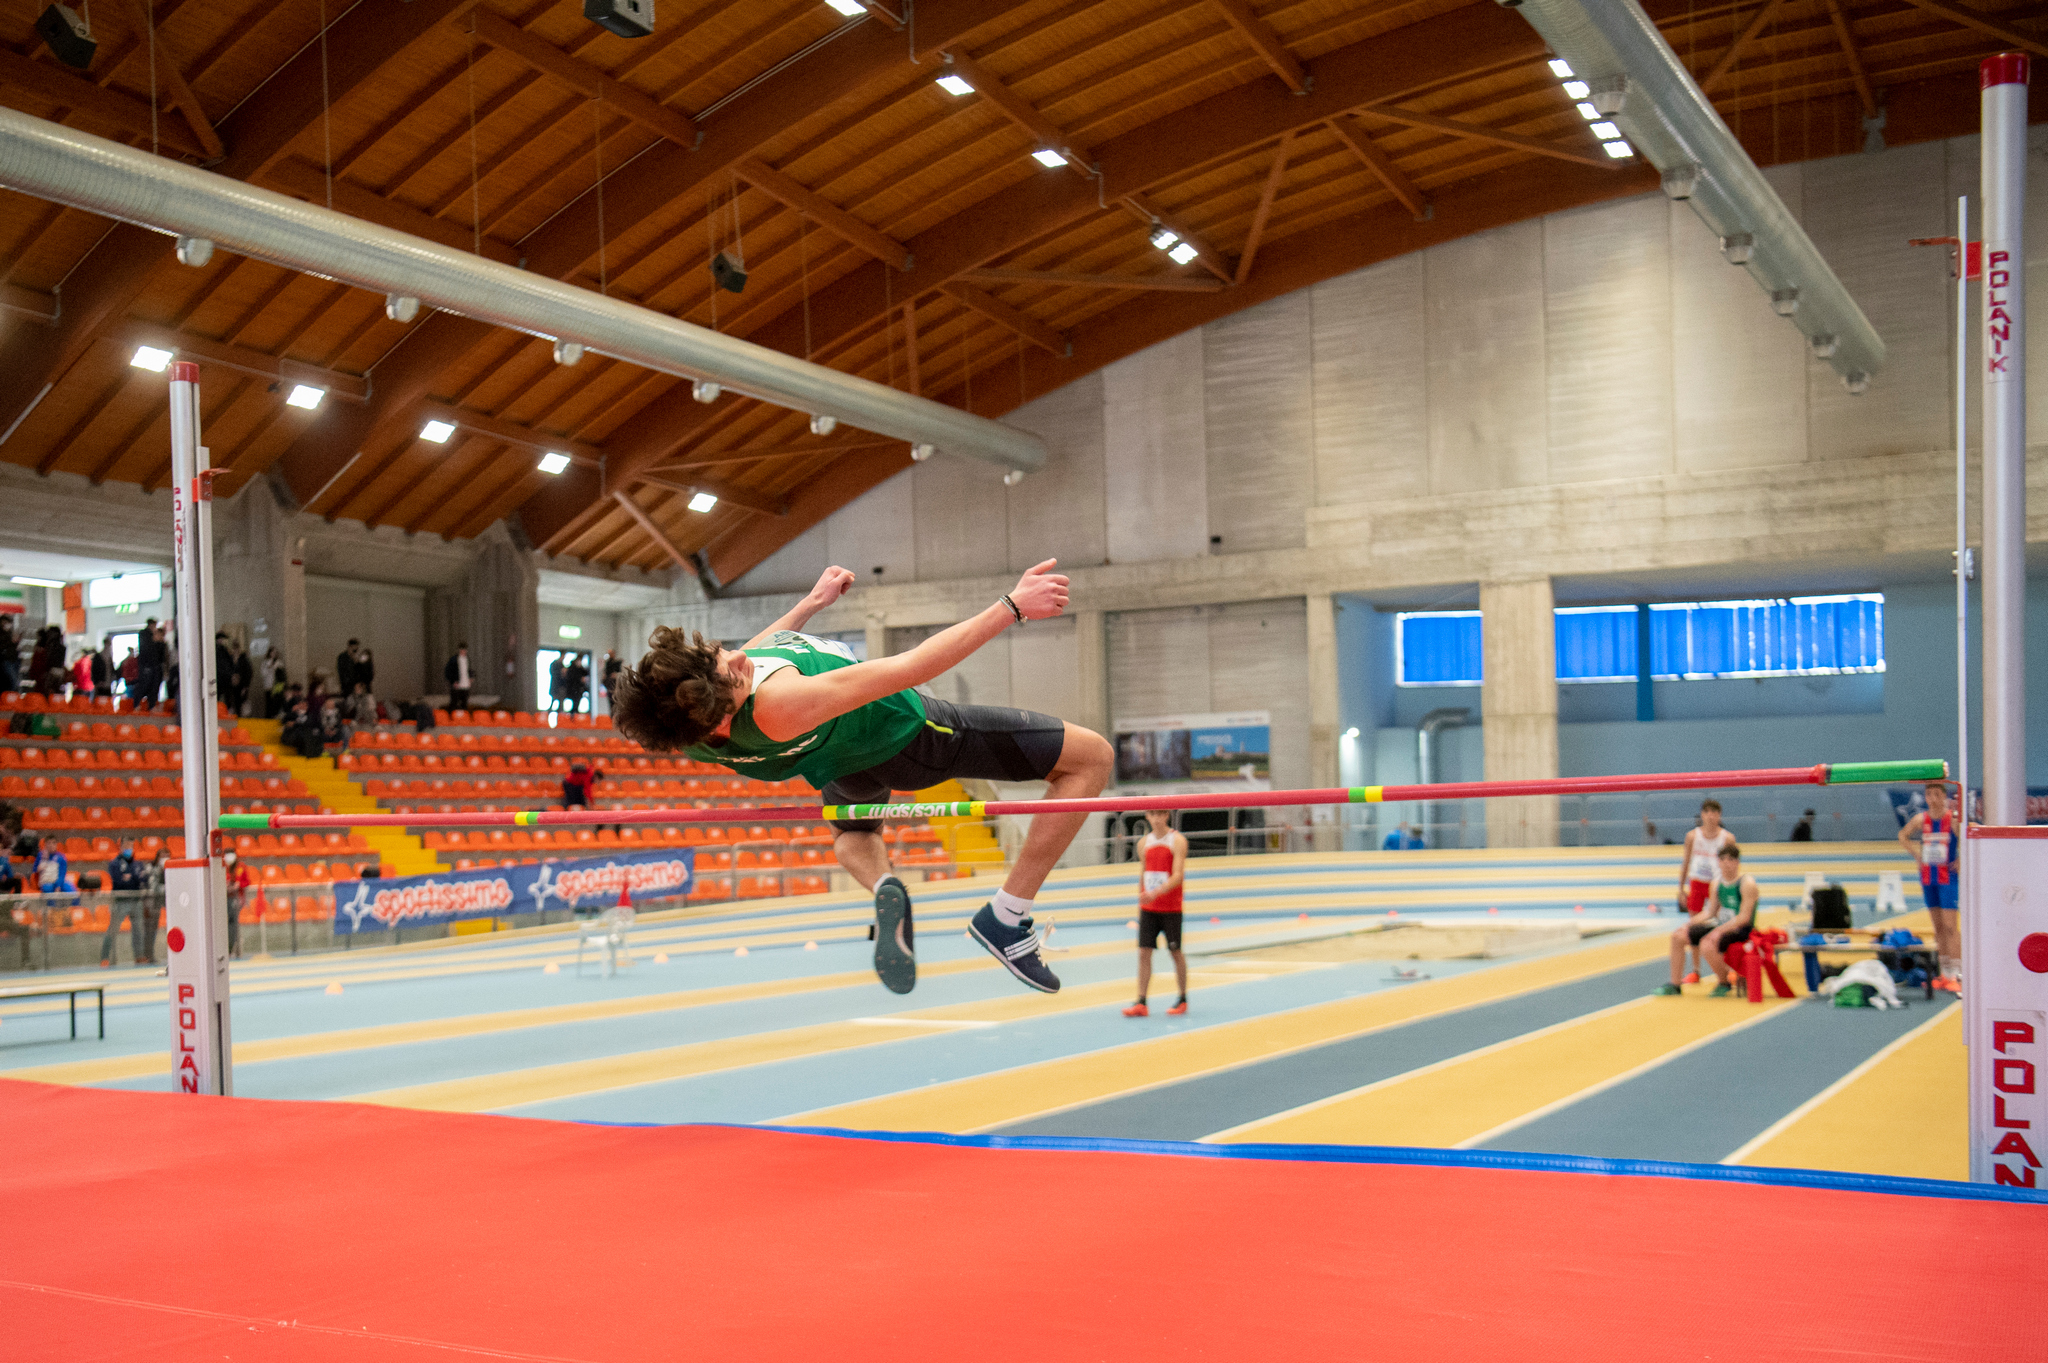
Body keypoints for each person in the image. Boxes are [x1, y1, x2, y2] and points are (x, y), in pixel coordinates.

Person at [611, 559, 1109, 996]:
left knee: (853, 832)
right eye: (731, 672)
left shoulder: (690, 727)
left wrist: (809, 605)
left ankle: (883, 884)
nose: (738, 656)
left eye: (720, 652)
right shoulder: (781, 705)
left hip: (839, 762)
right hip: (909, 736)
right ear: (721, 717)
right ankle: (1007, 916)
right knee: (1091, 758)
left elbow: (754, 654)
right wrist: (1011, 606)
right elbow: (915, 665)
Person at [1657, 842, 1758, 996]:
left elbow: (1744, 917)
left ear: (1737, 862)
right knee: (1677, 936)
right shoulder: (1717, 883)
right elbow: (1710, 912)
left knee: (1707, 943)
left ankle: (1723, 982)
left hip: (1741, 928)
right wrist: (1688, 924)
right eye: (1723, 859)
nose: (1726, 863)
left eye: (1731, 859)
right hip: (1721, 925)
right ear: (1718, 862)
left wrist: (1719, 931)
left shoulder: (1746, 883)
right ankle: (1675, 985)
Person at [1899, 781, 1965, 993]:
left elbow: (1969, 836)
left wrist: (1962, 859)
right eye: (1929, 794)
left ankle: (1958, 974)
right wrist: (1917, 856)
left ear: (1944, 797)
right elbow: (1903, 835)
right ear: (1925, 797)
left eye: (1937, 794)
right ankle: (1945, 973)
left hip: (1948, 878)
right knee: (1938, 928)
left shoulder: (1952, 820)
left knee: (1950, 927)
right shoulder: (1921, 819)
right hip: (1929, 878)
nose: (1933, 799)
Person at [1123, 808, 1189, 1017]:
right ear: (1147, 816)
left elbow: (1177, 875)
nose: (1157, 818)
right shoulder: (1144, 843)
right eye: (1153, 814)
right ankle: (1141, 1001)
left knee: (1175, 952)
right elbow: (1143, 873)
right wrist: (1142, 897)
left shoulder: (1177, 841)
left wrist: (1156, 892)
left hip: (1171, 907)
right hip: (1149, 909)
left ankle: (1182, 998)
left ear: (1167, 815)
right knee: (1144, 952)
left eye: (1161, 814)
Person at [1673, 799, 1733, 984]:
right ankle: (1696, 970)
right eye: (1707, 812)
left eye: (1714, 812)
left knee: (1723, 925)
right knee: (1693, 928)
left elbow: (1733, 864)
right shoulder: (1692, 836)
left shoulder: (1727, 838)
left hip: (1718, 884)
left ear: (1719, 815)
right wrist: (1681, 888)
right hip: (1697, 883)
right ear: (1702, 815)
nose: (1710, 816)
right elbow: (1686, 861)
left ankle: (1728, 968)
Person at [99, 840, 147, 968]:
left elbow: (141, 880)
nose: (128, 849)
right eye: (126, 847)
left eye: (130, 847)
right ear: (120, 848)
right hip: (120, 901)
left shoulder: (137, 864)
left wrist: (130, 878)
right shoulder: (114, 863)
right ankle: (105, 957)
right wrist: (130, 879)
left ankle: (139, 956)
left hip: (136, 900)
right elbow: (118, 881)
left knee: (138, 930)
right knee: (113, 930)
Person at [222, 850, 249, 957]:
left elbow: (247, 881)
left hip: (235, 898)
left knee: (232, 924)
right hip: (223, 899)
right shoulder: (222, 866)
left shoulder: (240, 867)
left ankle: (231, 948)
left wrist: (238, 884)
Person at [446, 643, 472, 710]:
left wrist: (470, 678)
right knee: (454, 704)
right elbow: (448, 671)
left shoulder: (467, 659)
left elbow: (468, 670)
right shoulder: (454, 659)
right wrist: (453, 681)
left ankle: (464, 716)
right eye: (462, 650)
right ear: (459, 650)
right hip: (457, 685)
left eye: (465, 650)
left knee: (464, 704)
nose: (464, 651)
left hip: (465, 685)